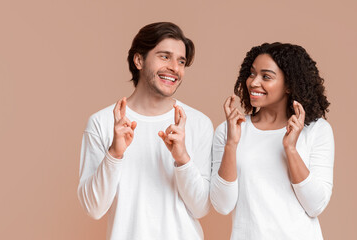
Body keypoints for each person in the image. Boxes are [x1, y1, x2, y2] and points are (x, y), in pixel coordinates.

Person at [77, 22, 213, 239]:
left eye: (181, 61)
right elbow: (94, 208)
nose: (174, 68)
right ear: (139, 60)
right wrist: (114, 154)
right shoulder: (102, 123)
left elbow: (201, 208)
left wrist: (182, 159)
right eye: (164, 56)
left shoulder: (198, 123)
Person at [210, 42, 334, 239]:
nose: (253, 82)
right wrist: (231, 145)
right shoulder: (229, 131)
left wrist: (290, 149)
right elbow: (222, 205)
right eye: (252, 74)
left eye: (266, 76)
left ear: (289, 85)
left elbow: (315, 205)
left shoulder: (316, 131)